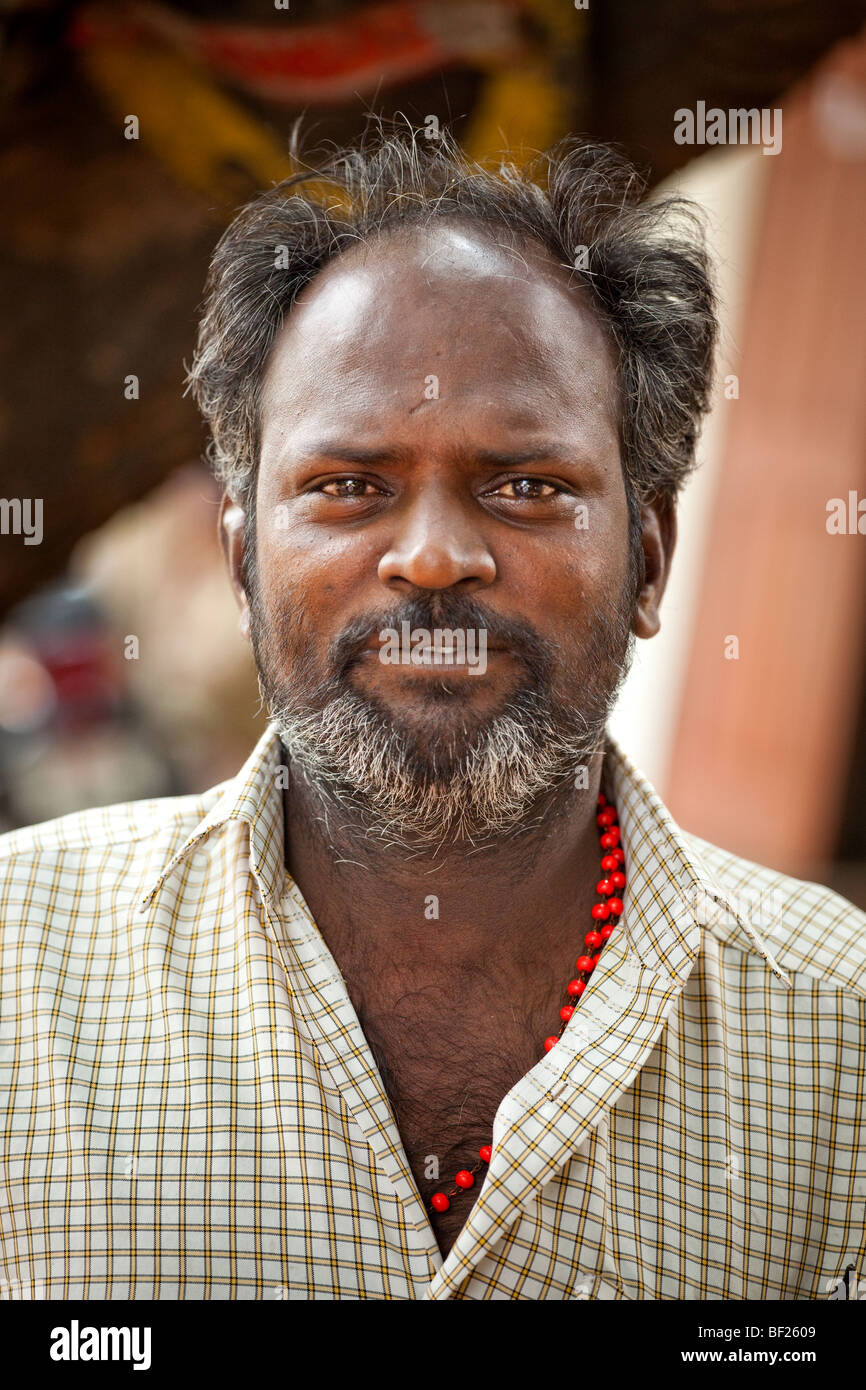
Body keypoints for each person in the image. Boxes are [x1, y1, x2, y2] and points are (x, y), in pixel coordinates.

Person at [0, 125, 862, 1301]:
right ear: (244, 562)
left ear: (647, 563)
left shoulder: (839, 1044)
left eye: (525, 486)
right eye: (349, 485)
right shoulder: (20, 974)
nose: (435, 557)